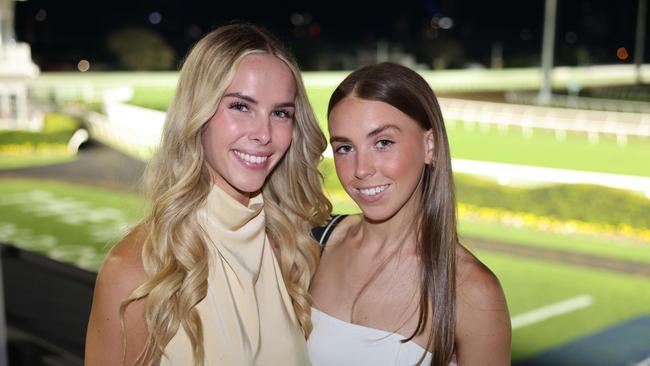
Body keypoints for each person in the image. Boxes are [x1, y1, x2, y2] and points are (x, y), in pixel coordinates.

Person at [85, 23, 331, 365]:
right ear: (198, 113)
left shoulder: (291, 250)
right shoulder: (138, 270)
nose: (264, 133)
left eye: (280, 113)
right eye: (241, 107)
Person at [308, 63, 511, 366]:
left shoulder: (472, 292)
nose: (361, 169)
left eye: (383, 143)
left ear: (430, 145)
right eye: (345, 148)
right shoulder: (312, 243)